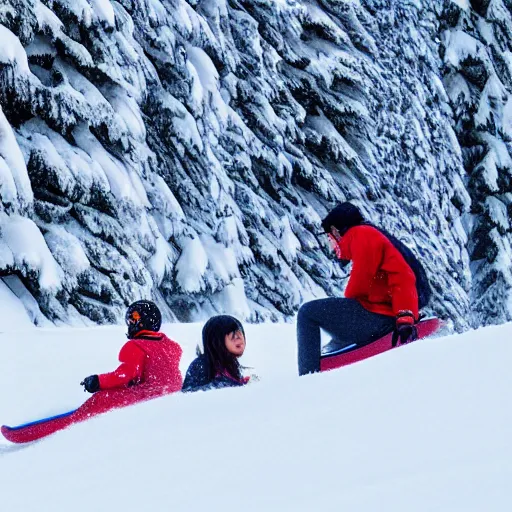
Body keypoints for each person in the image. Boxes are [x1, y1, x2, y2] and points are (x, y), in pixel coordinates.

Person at [297, 202, 431, 376]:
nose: (331, 245)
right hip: (382, 314)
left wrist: (405, 317)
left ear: (336, 231)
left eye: (329, 238)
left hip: (379, 317)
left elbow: (401, 277)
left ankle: (307, 377)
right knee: (339, 312)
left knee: (307, 313)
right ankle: (342, 341)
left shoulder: (361, 233)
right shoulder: (370, 236)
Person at [81, 300, 183, 399]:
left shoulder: (136, 346)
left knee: (102, 397)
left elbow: (123, 376)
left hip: (147, 397)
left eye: (135, 317)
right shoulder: (172, 346)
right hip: (173, 394)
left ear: (145, 320)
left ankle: (76, 416)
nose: (130, 321)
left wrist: (97, 381)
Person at [182, 315, 251, 392]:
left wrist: (243, 383)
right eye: (233, 336)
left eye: (241, 334)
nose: (240, 339)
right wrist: (224, 384)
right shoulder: (201, 365)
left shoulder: (231, 363)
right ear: (216, 341)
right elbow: (188, 394)